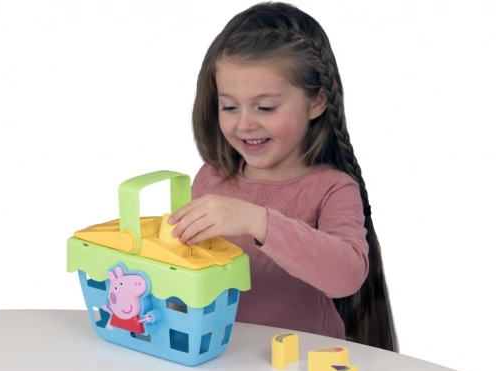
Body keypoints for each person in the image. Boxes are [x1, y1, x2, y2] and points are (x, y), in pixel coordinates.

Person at [167, 2, 399, 352]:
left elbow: (348, 274)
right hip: (220, 361)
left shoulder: (332, 189)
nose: (244, 124)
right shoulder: (211, 179)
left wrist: (258, 221)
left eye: (266, 107)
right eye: (229, 106)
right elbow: (189, 269)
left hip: (304, 366)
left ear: (317, 101)